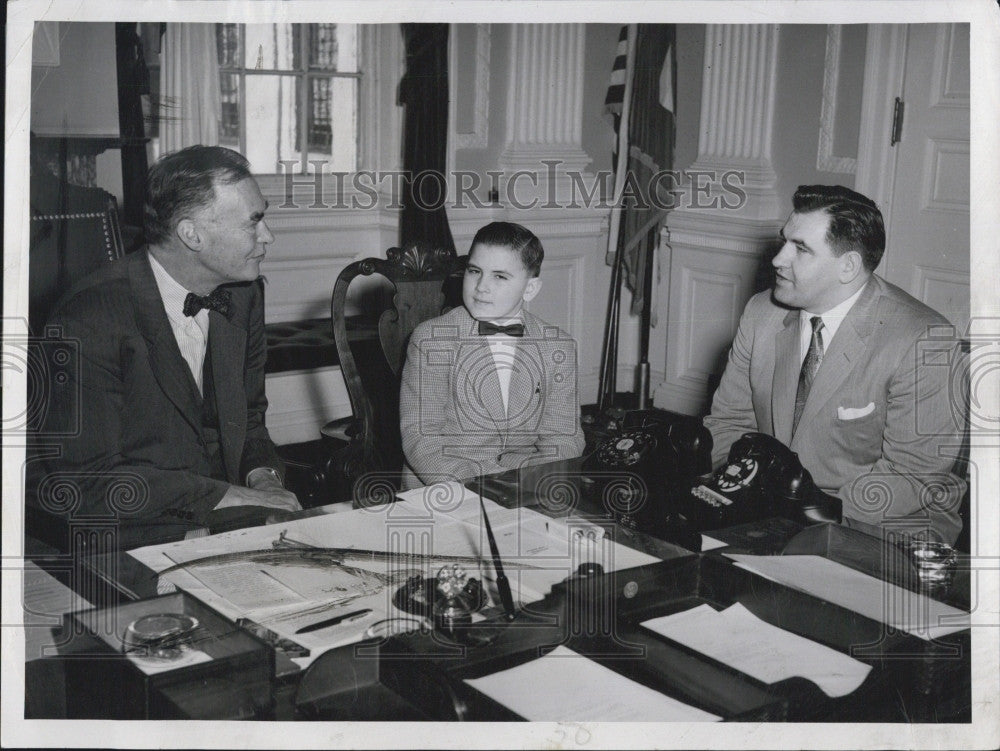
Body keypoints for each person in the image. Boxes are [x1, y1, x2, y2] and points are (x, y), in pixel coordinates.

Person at [37, 145, 301, 547]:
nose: (269, 236)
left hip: (225, 522)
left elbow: (248, 420)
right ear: (191, 234)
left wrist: (262, 477)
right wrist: (234, 496)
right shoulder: (88, 317)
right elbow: (90, 482)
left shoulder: (244, 295)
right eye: (254, 222)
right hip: (126, 536)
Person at [703, 184, 966, 544]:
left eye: (800, 249)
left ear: (848, 266)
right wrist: (747, 490)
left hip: (883, 522)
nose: (779, 259)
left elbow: (914, 476)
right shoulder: (761, 312)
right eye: (785, 242)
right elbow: (728, 423)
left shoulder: (924, 341)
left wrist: (801, 513)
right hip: (771, 507)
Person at [400, 221, 585, 489]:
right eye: (475, 271)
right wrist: (475, 492)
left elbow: (563, 438)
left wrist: (541, 484)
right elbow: (421, 439)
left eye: (499, 276)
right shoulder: (431, 341)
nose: (481, 287)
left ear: (530, 288)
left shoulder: (557, 347)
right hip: (445, 483)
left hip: (525, 483)